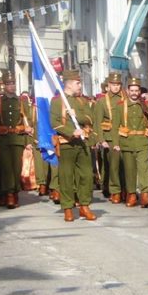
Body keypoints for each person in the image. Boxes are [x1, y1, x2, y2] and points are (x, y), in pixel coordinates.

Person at [50, 70, 96, 222]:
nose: (80, 85)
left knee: (87, 175)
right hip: (66, 144)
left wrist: (77, 116)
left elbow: (90, 118)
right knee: (66, 176)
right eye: (78, 83)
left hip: (83, 143)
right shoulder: (57, 101)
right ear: (69, 83)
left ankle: (84, 205)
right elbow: (55, 124)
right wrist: (71, 131)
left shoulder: (82, 101)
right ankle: (68, 208)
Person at [0, 72, 33, 209]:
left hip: (17, 139)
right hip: (3, 140)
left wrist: (28, 142)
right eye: (9, 84)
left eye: (13, 83)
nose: (12, 86)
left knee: (16, 169)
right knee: (6, 169)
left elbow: (28, 121)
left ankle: (14, 192)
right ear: (4, 85)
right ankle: (8, 194)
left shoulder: (21, 101)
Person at [120, 77, 148, 208]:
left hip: (142, 142)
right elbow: (116, 125)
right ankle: (131, 194)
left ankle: (144, 195)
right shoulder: (121, 106)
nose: (134, 93)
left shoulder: (145, 106)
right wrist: (115, 142)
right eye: (132, 90)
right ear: (127, 91)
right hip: (127, 142)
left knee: (144, 169)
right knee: (130, 171)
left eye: (137, 90)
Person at [94, 72, 126, 204]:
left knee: (127, 165)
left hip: (125, 135)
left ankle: (126, 189)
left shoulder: (126, 98)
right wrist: (101, 140)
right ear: (108, 85)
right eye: (113, 84)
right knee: (113, 166)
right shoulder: (102, 101)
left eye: (118, 84)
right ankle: (115, 191)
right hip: (110, 138)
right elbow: (97, 122)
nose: (116, 87)